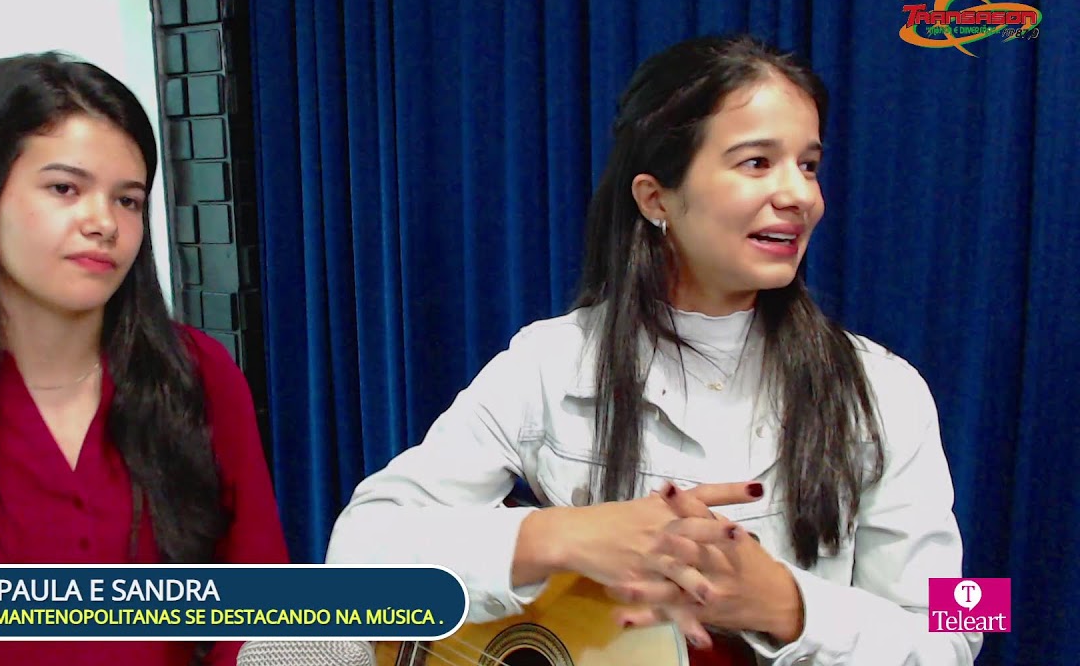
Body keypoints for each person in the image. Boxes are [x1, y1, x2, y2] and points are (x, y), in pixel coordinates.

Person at [325, 34, 982, 665]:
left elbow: (967, 626)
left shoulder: (889, 388)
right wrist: (556, 538)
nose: (799, 195)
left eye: (808, 164)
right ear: (656, 197)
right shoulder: (548, 362)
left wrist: (787, 606)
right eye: (757, 162)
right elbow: (355, 557)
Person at [0, 52, 289, 665]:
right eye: (65, 188)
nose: (103, 223)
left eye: (129, 201)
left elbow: (260, 611)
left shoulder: (196, 373)